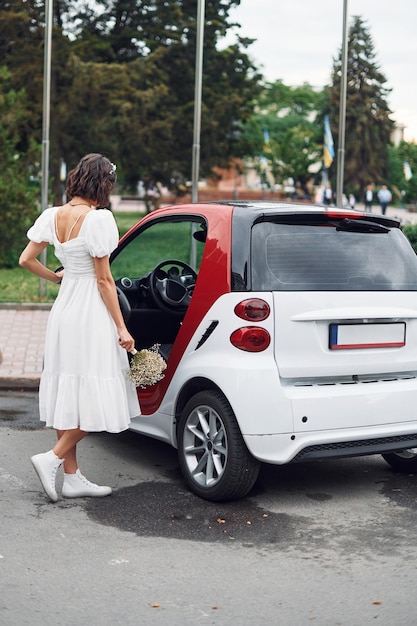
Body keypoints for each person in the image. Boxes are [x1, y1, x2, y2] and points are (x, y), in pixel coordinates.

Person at [19, 153, 140, 502]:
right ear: (103, 184)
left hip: (65, 308)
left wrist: (57, 277)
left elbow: (26, 260)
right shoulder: (99, 220)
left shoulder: (52, 215)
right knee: (102, 390)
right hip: (90, 310)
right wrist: (122, 327)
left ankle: (71, 478)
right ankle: (52, 458)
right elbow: (104, 280)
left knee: (69, 388)